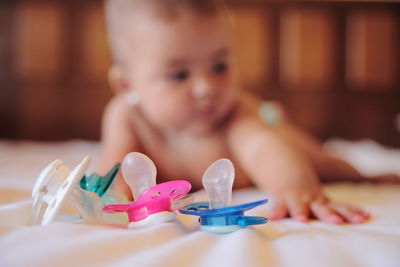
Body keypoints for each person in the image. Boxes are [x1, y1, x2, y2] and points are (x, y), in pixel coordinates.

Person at [99, 0, 395, 224]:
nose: (206, 88)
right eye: (179, 75)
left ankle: (367, 177)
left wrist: (296, 188)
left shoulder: (234, 112)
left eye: (219, 66)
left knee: (323, 163)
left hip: (272, 130)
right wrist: (106, 201)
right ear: (127, 84)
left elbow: (263, 149)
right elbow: (114, 173)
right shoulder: (126, 118)